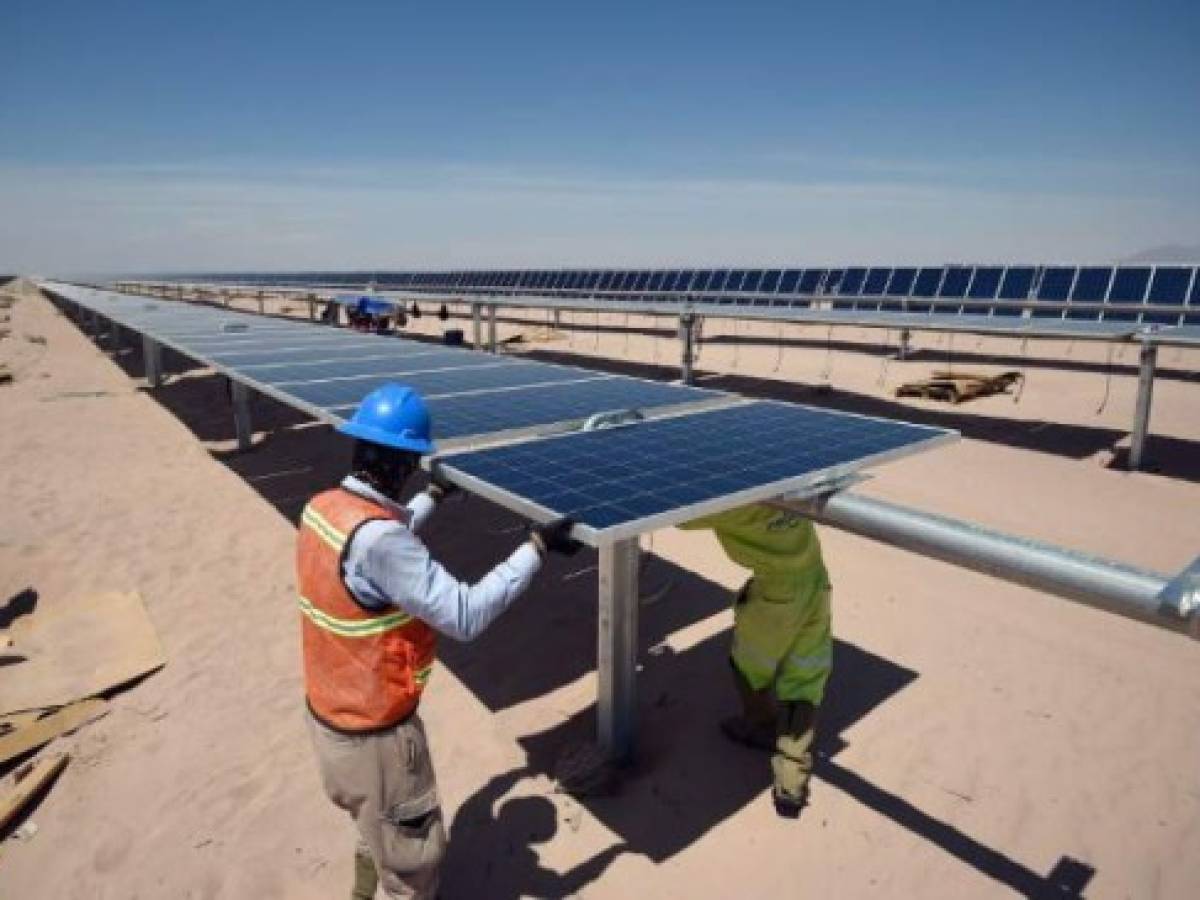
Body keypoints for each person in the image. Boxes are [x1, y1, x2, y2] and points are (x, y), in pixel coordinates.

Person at [298, 382, 581, 899]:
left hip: (328, 722)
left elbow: (379, 545)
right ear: (405, 461)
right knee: (412, 866)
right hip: (377, 739)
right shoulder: (381, 541)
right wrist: (536, 548)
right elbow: (464, 614)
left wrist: (429, 500)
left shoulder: (322, 510)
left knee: (371, 830)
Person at [679, 503, 832, 818]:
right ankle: (792, 785)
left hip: (776, 595)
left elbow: (678, 517)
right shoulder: (789, 485)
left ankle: (759, 722)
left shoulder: (731, 503)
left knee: (748, 665)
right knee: (804, 683)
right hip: (817, 584)